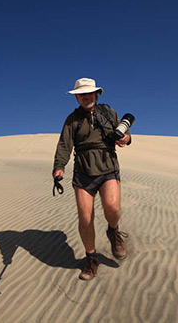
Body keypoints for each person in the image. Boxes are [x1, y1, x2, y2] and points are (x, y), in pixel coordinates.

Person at [52, 78, 131, 281]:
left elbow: (126, 134)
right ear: (77, 97)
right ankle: (91, 258)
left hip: (108, 167)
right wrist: (59, 168)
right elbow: (64, 145)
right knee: (85, 218)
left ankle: (113, 232)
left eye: (89, 93)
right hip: (83, 172)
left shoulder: (108, 112)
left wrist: (126, 138)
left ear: (96, 94)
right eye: (82, 94)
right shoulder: (72, 120)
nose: (86, 97)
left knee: (112, 208)